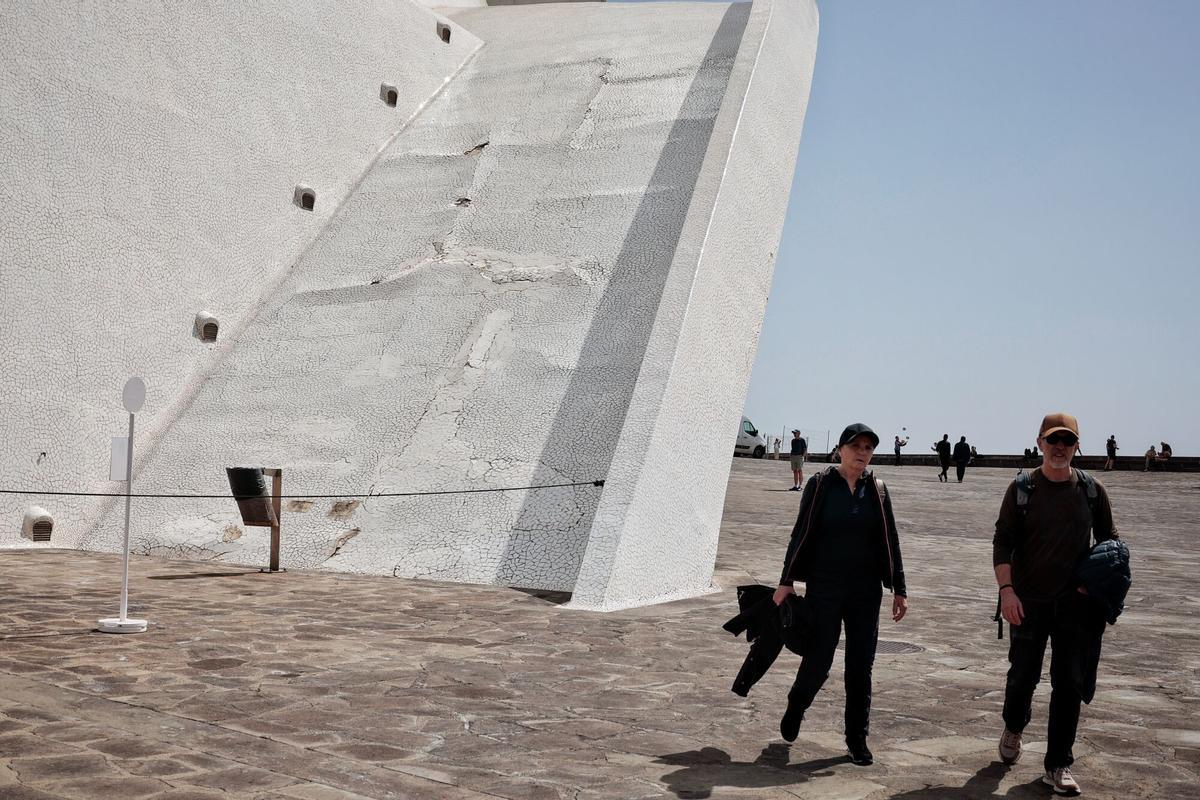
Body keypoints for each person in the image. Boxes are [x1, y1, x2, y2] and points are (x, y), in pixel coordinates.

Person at [993, 413, 1118, 797]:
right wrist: (1007, 591)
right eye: (1053, 441)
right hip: (1028, 602)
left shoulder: (1092, 490)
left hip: (1075, 607)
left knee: (1069, 684)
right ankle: (1014, 725)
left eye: (1067, 441)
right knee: (1022, 677)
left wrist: (1096, 586)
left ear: (1077, 445)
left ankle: (1058, 763)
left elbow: (1110, 542)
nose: (1060, 447)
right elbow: (1002, 542)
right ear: (1040, 443)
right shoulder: (1022, 489)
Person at [773, 423, 908, 766]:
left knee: (861, 667)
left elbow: (890, 537)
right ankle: (797, 703)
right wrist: (786, 580)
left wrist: (899, 588)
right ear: (840, 450)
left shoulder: (877, 489)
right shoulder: (820, 485)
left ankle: (856, 738)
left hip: (865, 591)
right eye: (856, 446)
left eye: (868, 447)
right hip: (825, 587)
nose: (862, 452)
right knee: (819, 659)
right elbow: (799, 533)